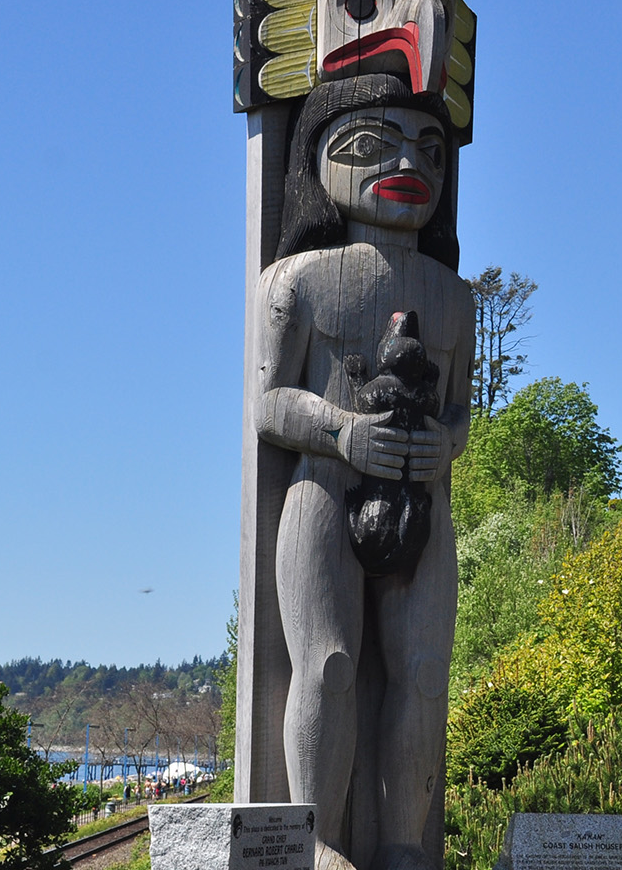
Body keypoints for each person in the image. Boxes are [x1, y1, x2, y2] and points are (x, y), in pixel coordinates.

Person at [255, 72, 471, 870]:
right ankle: (317, 840)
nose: (407, 160)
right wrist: (343, 431)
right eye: (370, 143)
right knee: (330, 664)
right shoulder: (298, 279)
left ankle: (407, 844)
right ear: (317, 164)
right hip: (323, 486)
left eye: (429, 146)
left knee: (420, 674)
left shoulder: (455, 297)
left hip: (419, 500)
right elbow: (268, 402)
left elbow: (461, 413)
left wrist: (443, 444)